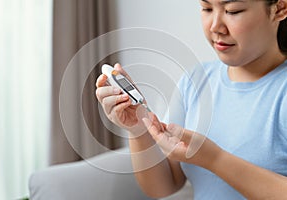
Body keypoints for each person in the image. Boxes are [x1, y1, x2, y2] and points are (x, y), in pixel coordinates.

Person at [95, 0, 287, 199]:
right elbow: (164, 187)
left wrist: (215, 160)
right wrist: (138, 129)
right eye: (207, 8)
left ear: (280, 9)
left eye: (232, 11)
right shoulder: (196, 81)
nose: (215, 27)